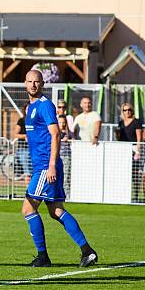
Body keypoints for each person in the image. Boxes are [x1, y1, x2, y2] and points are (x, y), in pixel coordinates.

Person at [21, 70, 98, 268]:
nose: (33, 85)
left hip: (46, 167)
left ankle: (43, 256)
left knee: (28, 208)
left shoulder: (45, 106)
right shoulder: (30, 108)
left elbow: (55, 135)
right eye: (29, 81)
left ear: (42, 84)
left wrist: (51, 165)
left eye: (36, 82)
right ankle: (87, 251)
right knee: (56, 211)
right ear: (25, 83)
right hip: (43, 166)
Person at [116, 103, 144, 201]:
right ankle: (121, 195)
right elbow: (119, 138)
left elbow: (139, 138)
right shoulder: (120, 123)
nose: (127, 112)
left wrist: (138, 151)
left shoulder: (136, 122)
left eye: (129, 110)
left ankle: (136, 195)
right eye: (125, 110)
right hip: (123, 150)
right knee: (122, 173)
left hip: (133, 149)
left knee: (135, 174)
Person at [14, 104, 31, 182]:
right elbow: (15, 134)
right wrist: (25, 136)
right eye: (27, 109)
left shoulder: (36, 121)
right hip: (23, 149)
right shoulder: (21, 121)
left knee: (33, 172)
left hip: (33, 149)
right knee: (27, 172)